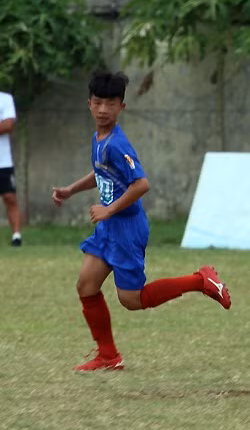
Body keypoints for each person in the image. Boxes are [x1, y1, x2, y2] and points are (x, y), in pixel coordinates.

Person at [52, 71, 231, 372]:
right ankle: (108, 357)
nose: (103, 109)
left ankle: (200, 280)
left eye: (111, 104)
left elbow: (141, 184)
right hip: (109, 227)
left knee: (132, 300)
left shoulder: (117, 144)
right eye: (98, 102)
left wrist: (108, 210)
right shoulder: (99, 138)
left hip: (126, 228)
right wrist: (71, 190)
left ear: (122, 107)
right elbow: (101, 172)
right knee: (86, 286)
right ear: (89, 104)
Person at [0, 90, 22, 246]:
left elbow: (8, 124)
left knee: (10, 198)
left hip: (3, 162)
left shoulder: (5, 99)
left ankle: (16, 236)